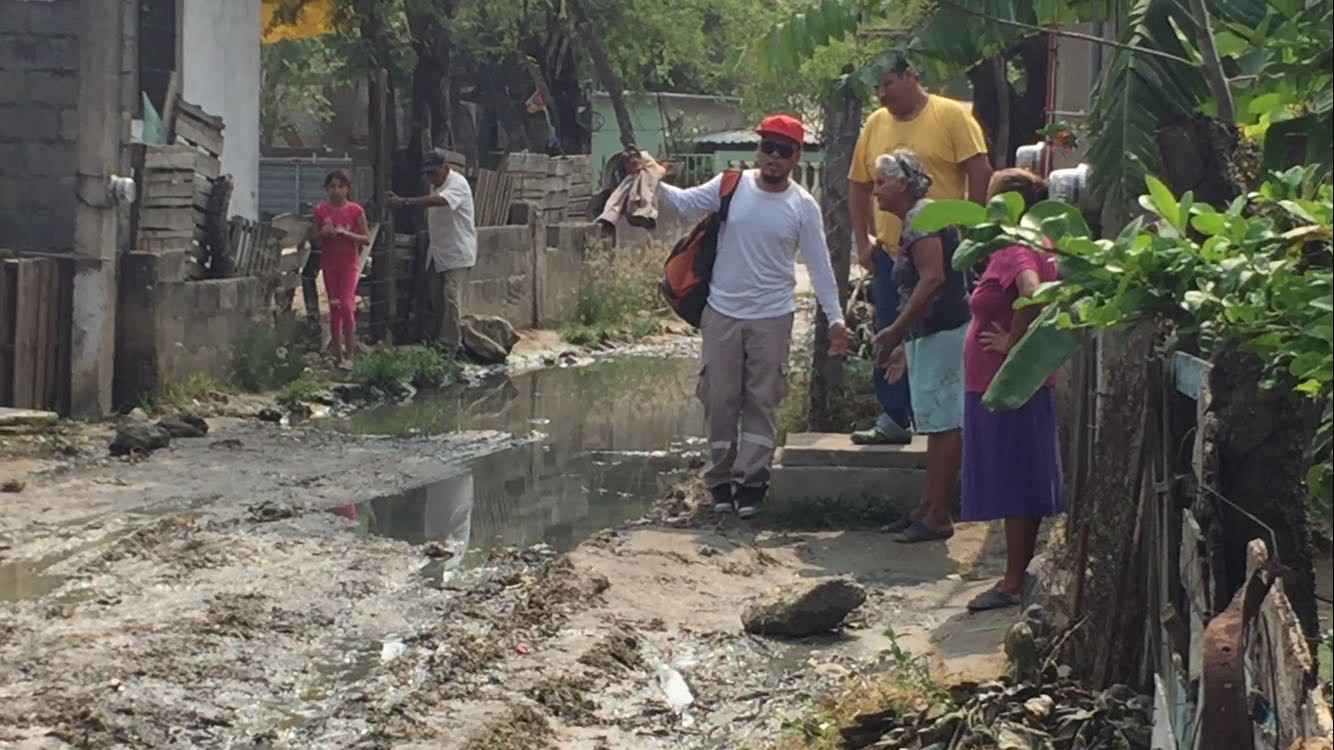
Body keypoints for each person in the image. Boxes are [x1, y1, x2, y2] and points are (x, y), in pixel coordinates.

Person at [631, 115, 853, 518]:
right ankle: (719, 481)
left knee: (762, 400)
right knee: (718, 397)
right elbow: (681, 204)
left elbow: (820, 266)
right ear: (759, 149)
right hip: (722, 313)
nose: (773, 157)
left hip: (773, 317)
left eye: (783, 151)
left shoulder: (803, 206)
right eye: (768, 147)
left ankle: (751, 482)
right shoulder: (730, 185)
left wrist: (835, 319)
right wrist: (649, 175)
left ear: (796, 157)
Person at [848, 56, 992, 445]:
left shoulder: (950, 116)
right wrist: (862, 240)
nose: (882, 93)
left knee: (935, 333)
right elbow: (858, 184)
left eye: (888, 83)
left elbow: (980, 171)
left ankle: (943, 421)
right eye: (876, 87)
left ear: (912, 76)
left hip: (940, 251)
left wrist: (975, 232)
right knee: (889, 333)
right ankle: (895, 417)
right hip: (891, 252)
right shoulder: (876, 122)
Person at [961, 169, 1066, 611]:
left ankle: (1011, 582)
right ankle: (1014, 576)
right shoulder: (1042, 243)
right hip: (1019, 381)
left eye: (992, 201)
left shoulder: (1015, 247)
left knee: (1014, 480)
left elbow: (1035, 293)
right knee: (1021, 478)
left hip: (1004, 384)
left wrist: (1012, 344)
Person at [871, 149, 971, 543]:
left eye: (881, 182)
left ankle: (939, 515)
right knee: (934, 424)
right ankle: (927, 509)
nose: (876, 192)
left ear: (903, 183)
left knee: (944, 425)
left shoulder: (921, 221)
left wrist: (896, 330)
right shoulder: (920, 217)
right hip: (930, 333)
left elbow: (932, 279)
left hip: (941, 332)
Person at [387, 149, 478, 353]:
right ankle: (437, 340)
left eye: (434, 173)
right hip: (439, 252)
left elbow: (441, 201)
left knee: (451, 298)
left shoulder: (457, 183)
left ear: (445, 168)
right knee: (436, 299)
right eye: (428, 174)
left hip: (458, 252)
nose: (431, 178)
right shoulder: (436, 185)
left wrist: (406, 201)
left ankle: (451, 346)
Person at [309, 170, 371, 367]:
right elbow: (314, 238)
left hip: (349, 265)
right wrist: (324, 233)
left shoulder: (355, 211)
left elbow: (366, 238)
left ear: (347, 189)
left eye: (340, 186)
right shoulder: (321, 211)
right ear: (327, 189)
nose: (336, 191)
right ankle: (338, 357)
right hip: (330, 265)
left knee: (346, 304)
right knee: (335, 307)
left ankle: (350, 355)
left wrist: (347, 234)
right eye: (332, 187)